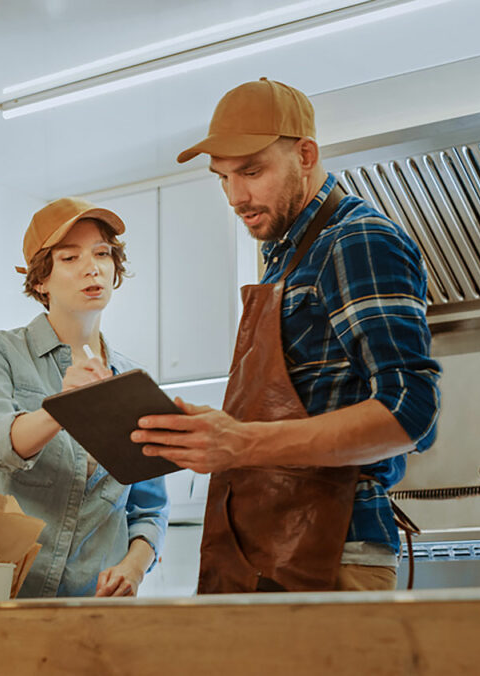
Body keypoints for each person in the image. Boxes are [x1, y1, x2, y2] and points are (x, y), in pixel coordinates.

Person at [132, 78, 441, 593]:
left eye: (252, 172)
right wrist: (217, 432)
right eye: (223, 177)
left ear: (306, 154)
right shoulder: (285, 256)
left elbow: (411, 412)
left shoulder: (357, 239)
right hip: (266, 552)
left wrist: (242, 441)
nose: (236, 196)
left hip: (333, 553)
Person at [0, 197, 169, 598]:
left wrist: (133, 568)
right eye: (69, 258)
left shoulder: (132, 382)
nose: (92, 267)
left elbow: (150, 509)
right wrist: (62, 407)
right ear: (41, 279)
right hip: (4, 591)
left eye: (102, 254)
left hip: (93, 603)